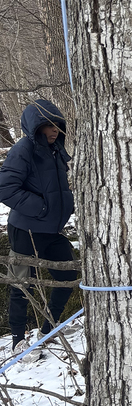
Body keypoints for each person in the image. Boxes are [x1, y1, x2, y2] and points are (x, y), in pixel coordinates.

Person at [0, 100, 78, 350]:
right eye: (48, 125)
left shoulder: (56, 150)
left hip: (52, 231)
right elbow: (6, 188)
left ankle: (47, 329)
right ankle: (18, 341)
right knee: (23, 284)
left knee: (67, 276)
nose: (54, 130)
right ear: (36, 127)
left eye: (57, 125)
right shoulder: (24, 148)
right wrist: (42, 208)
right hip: (26, 230)